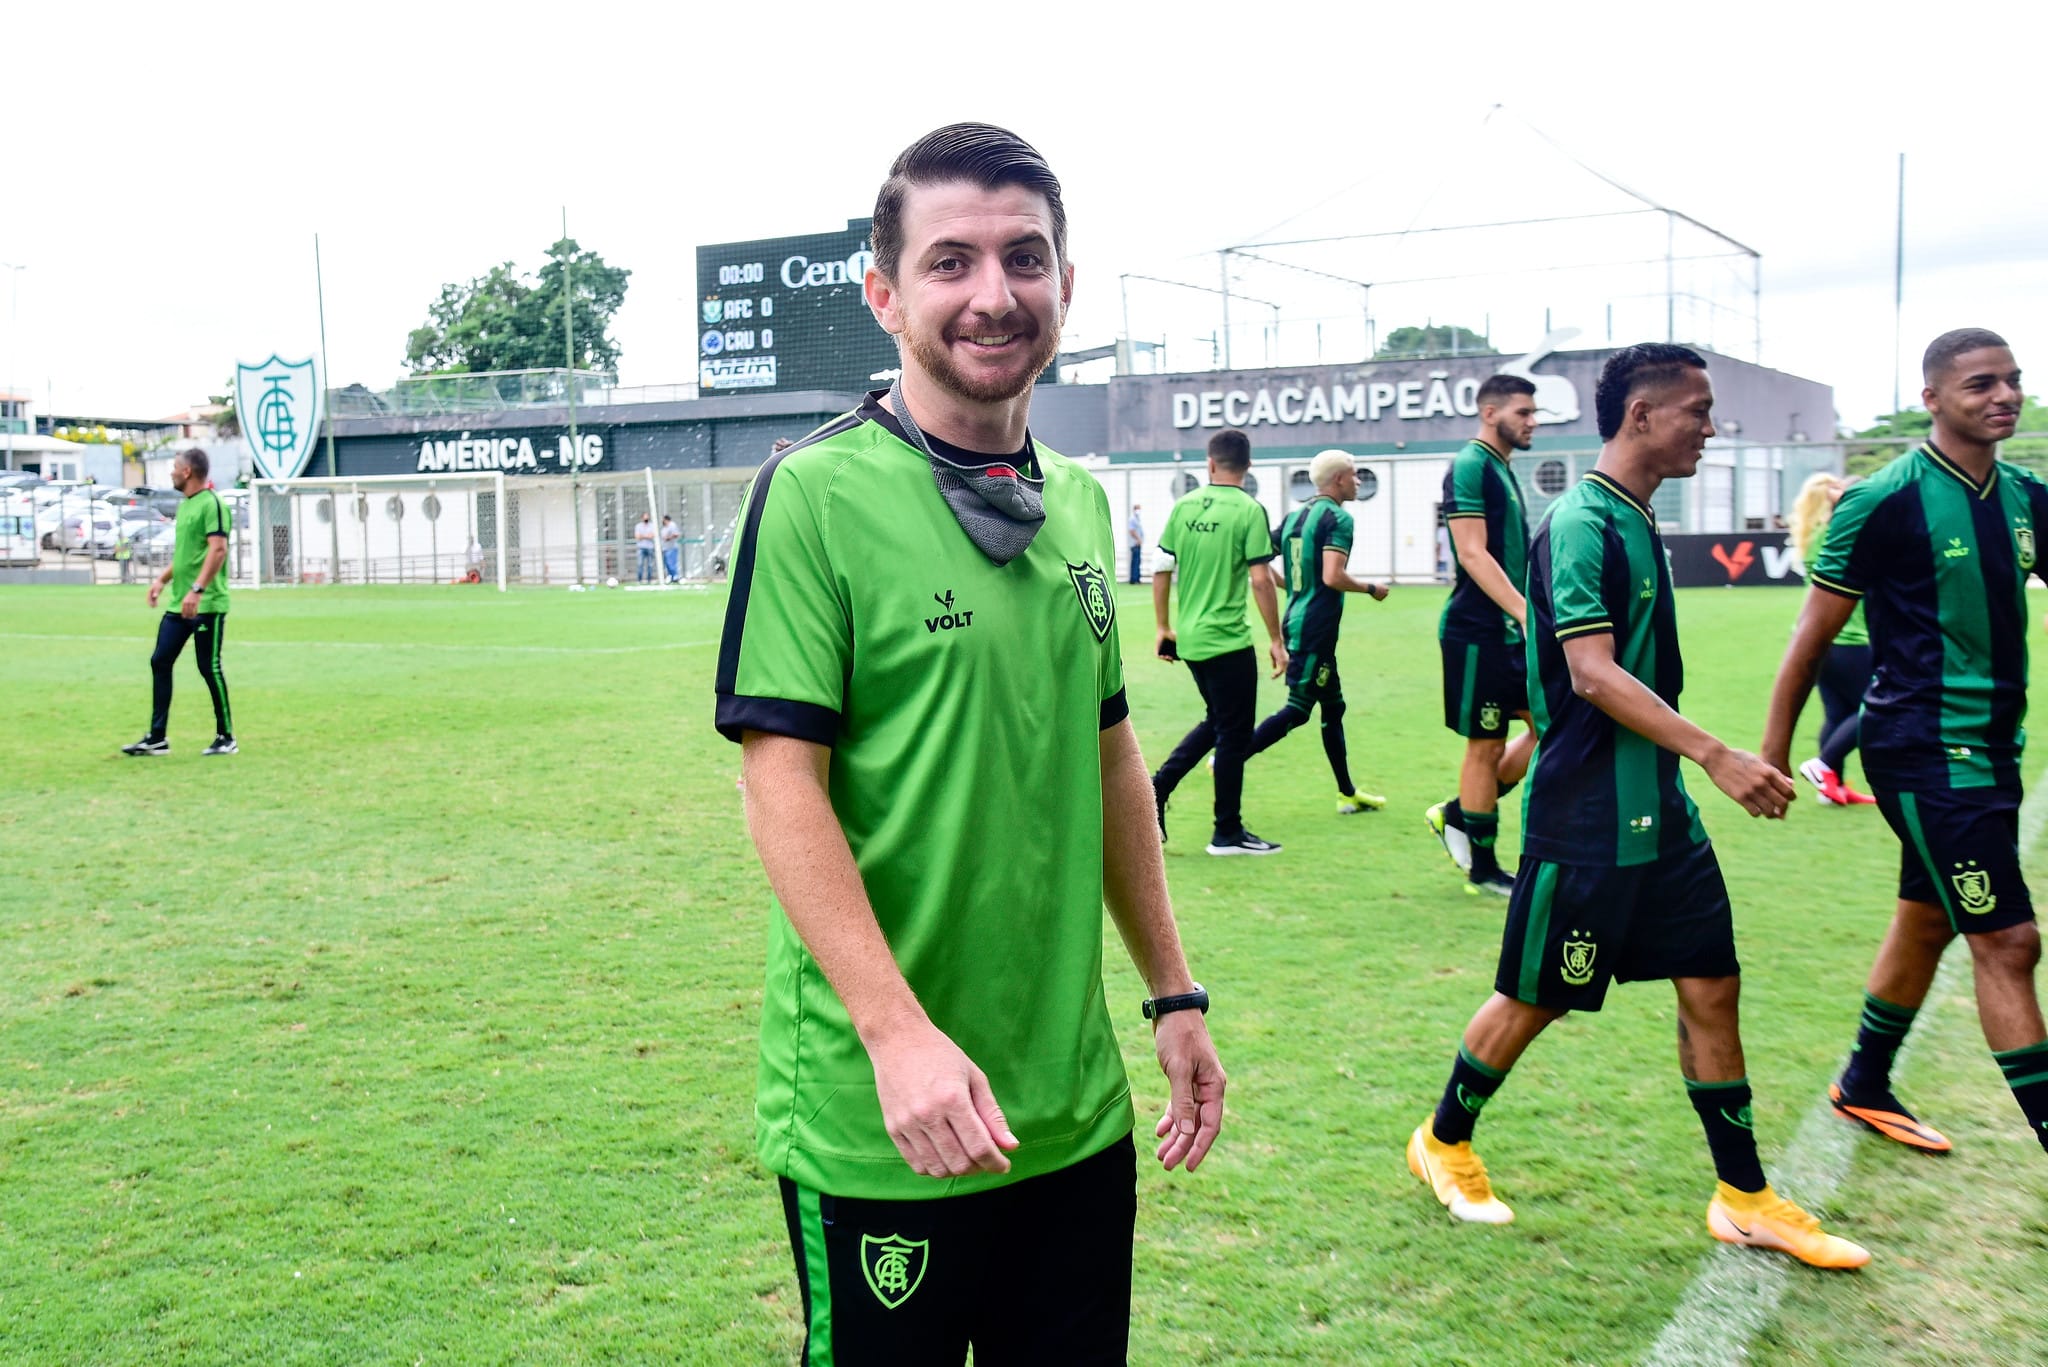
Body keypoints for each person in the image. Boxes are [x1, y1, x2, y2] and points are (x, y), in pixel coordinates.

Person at [714, 122, 1224, 1365]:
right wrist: (896, 1034)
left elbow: (1108, 757)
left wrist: (1170, 986)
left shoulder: (1085, 503)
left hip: (1071, 1110)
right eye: (951, 261)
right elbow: (782, 785)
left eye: (1023, 258)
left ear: (1063, 282)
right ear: (884, 293)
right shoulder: (814, 494)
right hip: (882, 1113)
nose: (993, 295)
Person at [1406, 344, 1869, 1269]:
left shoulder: (1636, 518)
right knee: (1534, 999)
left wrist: (1690, 771)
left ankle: (1744, 1196)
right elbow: (1589, 670)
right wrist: (1717, 753)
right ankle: (1443, 1139)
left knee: (1712, 984)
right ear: (1642, 416)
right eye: (1697, 409)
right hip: (1587, 817)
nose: (1709, 425)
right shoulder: (1582, 520)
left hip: (1661, 813)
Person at [1763, 328, 2048, 1158]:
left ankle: (1863, 1082)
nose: (2002, 395)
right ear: (1932, 399)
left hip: (1991, 749)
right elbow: (1809, 641)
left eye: (2013, 381)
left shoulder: (2027, 496)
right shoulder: (1882, 499)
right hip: (1920, 748)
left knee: (1928, 920)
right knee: (2008, 939)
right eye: (1980, 384)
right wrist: (1774, 756)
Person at [1427, 375, 1542, 896]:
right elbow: (1472, 553)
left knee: (1550, 725)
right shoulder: (1471, 465)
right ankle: (1484, 865)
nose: (1531, 421)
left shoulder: (1500, 468)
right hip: (1477, 632)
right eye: (1523, 412)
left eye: (1533, 412)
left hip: (1510, 632)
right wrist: (1523, 611)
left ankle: (1458, 813)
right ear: (1489, 412)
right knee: (1486, 744)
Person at [1151, 428, 1289, 856]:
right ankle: (1226, 832)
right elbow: (1261, 579)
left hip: (1190, 638)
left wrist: (1163, 627)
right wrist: (1276, 639)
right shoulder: (1249, 510)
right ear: (1247, 468)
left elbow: (1161, 569)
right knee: (1233, 732)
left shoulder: (1184, 507)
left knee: (1219, 722)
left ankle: (1157, 789)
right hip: (1227, 639)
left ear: (1209, 463)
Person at [1244, 449, 1390, 814]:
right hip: (1315, 630)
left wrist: (1288, 586)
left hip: (1301, 621)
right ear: (1339, 479)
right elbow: (1332, 576)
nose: (1358, 482)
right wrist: (1371, 589)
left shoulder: (1296, 516)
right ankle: (1231, 755)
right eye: (1355, 475)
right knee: (1298, 709)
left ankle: (1346, 793)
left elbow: (1259, 560)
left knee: (1333, 707)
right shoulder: (1339, 518)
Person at [122, 448, 235, 757]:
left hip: (206, 604)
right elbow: (186, 556)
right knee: (160, 660)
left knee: (208, 667)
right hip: (179, 604)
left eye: (174, 467)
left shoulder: (213, 504)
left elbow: (218, 550)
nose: (171, 472)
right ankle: (157, 737)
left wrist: (197, 590)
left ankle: (226, 736)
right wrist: (162, 580)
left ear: (187, 472)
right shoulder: (186, 506)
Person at [1783, 473, 1875, 805]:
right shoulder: (1841, 533)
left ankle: (1830, 789)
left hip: (1816, 640)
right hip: (1849, 638)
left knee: (1838, 714)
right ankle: (1822, 765)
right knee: (1878, 707)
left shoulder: (1813, 536)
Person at [633, 512, 656, 583]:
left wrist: (642, 536)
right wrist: (646, 536)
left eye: (647, 517)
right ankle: (639, 580)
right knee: (640, 564)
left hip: (650, 547)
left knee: (650, 565)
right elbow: (637, 536)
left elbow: (652, 535)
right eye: (645, 517)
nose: (646, 518)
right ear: (642, 518)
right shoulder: (638, 526)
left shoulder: (652, 526)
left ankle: (649, 580)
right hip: (641, 547)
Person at [660, 514, 682, 583]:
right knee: (667, 563)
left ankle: (675, 576)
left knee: (671, 563)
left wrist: (668, 538)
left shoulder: (672, 525)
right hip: (665, 548)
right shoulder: (664, 528)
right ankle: (671, 576)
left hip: (671, 547)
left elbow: (676, 534)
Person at [1127, 502, 1144, 583]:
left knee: (1137, 561)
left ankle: (1136, 578)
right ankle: (1134, 579)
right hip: (1135, 543)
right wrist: (1138, 539)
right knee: (1135, 561)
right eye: (1138, 508)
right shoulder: (1132, 519)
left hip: (1137, 543)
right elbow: (1132, 531)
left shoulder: (1137, 519)